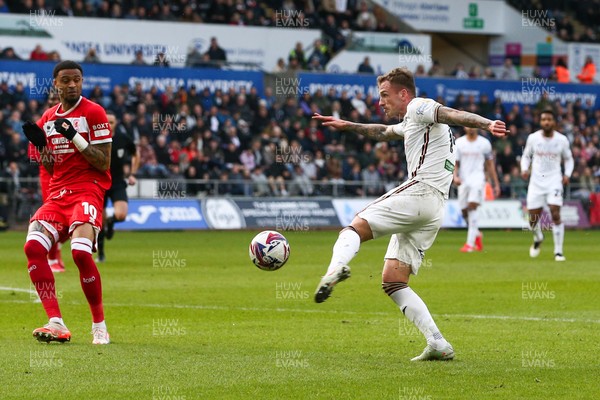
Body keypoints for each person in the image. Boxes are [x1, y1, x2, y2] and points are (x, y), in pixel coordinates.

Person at [312, 67, 507, 361]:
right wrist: (348, 125)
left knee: (354, 227)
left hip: (420, 191)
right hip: (435, 207)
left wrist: (487, 123)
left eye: (385, 95)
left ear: (404, 94)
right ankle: (438, 343)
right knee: (394, 280)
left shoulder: (419, 106)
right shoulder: (413, 120)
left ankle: (334, 269)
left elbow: (452, 113)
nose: (381, 102)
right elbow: (383, 132)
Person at [21, 60, 112, 344]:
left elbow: (104, 162)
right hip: (58, 193)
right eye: (66, 80)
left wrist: (74, 137)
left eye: (77, 79)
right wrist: (41, 147)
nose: (72, 84)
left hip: (88, 189)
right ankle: (56, 322)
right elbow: (51, 169)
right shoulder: (47, 118)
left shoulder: (94, 112)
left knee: (81, 254)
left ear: (81, 82)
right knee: (33, 247)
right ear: (56, 84)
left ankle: (99, 325)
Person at [520, 109, 573, 261]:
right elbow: (526, 156)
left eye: (549, 119)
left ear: (554, 122)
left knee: (555, 213)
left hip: (554, 181)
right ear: (540, 122)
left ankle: (558, 252)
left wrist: (567, 174)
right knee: (532, 220)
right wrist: (524, 169)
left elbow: (569, 159)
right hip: (536, 183)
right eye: (544, 119)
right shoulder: (533, 138)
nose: (546, 122)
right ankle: (538, 238)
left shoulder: (562, 140)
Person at [28, 90, 67, 272]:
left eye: (56, 99)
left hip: (69, 174)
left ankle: (52, 251)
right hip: (48, 174)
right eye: (51, 99)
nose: (53, 101)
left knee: (67, 220)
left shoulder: (71, 121)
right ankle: (52, 258)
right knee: (52, 218)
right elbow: (33, 153)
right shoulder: (42, 123)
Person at [96, 111, 139, 263]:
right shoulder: (96, 139)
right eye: (106, 121)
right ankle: (101, 254)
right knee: (99, 222)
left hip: (118, 182)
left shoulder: (122, 138)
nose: (109, 124)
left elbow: (135, 153)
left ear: (116, 124)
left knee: (121, 215)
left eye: (112, 122)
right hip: (100, 183)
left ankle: (111, 222)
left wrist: (133, 173)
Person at [453, 127, 500, 252]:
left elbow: (490, 164)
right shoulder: (459, 143)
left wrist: (496, 184)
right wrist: (455, 176)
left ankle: (469, 244)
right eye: (468, 126)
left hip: (478, 179)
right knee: (464, 211)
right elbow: (455, 163)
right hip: (463, 180)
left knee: (472, 206)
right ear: (464, 127)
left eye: (473, 126)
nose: (471, 128)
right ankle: (477, 234)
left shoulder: (484, 143)